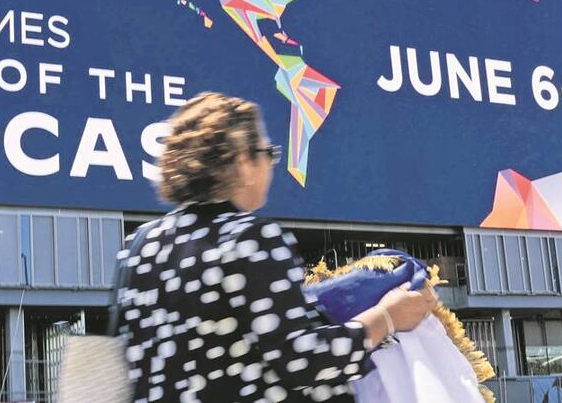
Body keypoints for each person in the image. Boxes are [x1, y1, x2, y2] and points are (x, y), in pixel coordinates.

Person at [115, 92, 438, 402]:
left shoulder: (140, 244)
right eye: (268, 152)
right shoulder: (249, 237)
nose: (271, 164)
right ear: (243, 161)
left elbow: (126, 357)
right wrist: (387, 317)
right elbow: (303, 360)